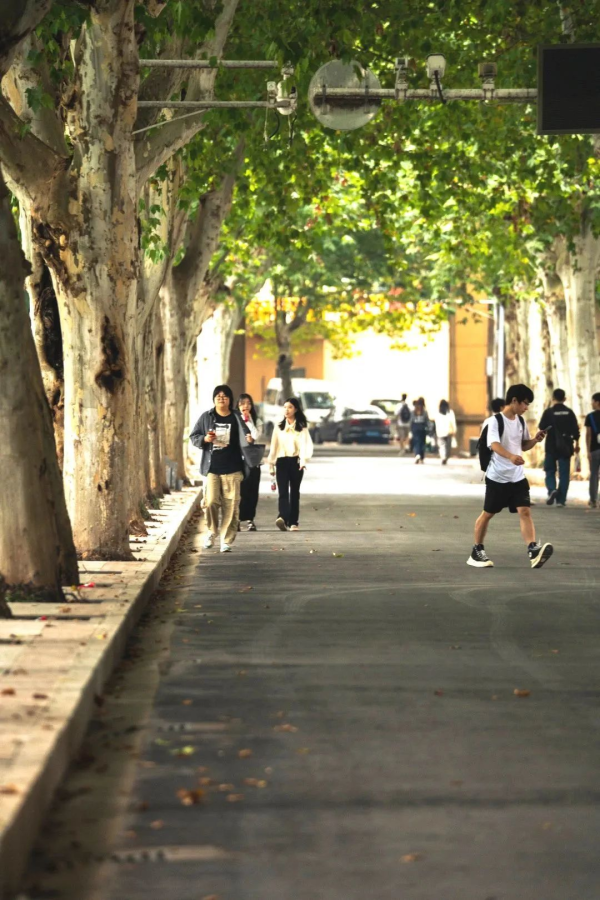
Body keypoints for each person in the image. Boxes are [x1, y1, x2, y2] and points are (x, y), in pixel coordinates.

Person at [467, 383, 553, 569]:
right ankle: (477, 551)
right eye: (525, 403)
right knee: (488, 514)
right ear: (514, 400)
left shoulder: (520, 421)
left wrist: (535, 440)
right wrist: (511, 456)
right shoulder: (493, 421)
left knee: (525, 511)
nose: (526, 407)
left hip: (517, 476)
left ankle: (533, 550)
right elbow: (494, 444)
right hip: (497, 476)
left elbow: (523, 445)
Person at [189, 384, 255, 553]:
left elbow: (247, 436)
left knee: (231, 506)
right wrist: (205, 439)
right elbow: (194, 436)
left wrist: (249, 439)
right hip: (212, 467)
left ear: (230, 400)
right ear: (214, 399)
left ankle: (226, 540)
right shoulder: (206, 417)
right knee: (211, 501)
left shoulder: (236, 417)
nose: (221, 398)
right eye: (218, 396)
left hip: (233, 467)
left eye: (225, 396)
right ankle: (212, 531)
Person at [267, 397, 313, 531]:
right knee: (282, 492)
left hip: (296, 462)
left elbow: (305, 445)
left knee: (294, 492)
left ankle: (293, 522)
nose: (287, 410)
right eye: (285, 407)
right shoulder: (278, 427)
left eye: (290, 407)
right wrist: (271, 463)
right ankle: (282, 517)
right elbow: (274, 446)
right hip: (281, 461)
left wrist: (303, 461)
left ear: (296, 409)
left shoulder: (302, 427)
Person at [538, 388, 580, 507]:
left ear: (553, 399)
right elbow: (576, 431)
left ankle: (552, 490)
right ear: (564, 398)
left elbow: (541, 426)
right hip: (566, 446)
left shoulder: (548, 412)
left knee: (550, 470)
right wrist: (577, 445)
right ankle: (561, 500)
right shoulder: (569, 412)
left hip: (551, 446)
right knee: (564, 474)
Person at [238, 392, 262, 530]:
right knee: (239, 491)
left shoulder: (257, 421)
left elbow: (256, 436)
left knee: (252, 491)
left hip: (253, 460)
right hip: (238, 459)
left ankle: (250, 520)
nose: (245, 406)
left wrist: (249, 421)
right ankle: (236, 519)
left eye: (248, 403)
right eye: (242, 403)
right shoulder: (234, 419)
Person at [585, 392, 600, 509]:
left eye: (593, 401)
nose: (591, 403)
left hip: (595, 450)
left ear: (597, 402)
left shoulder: (590, 417)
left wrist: (588, 451)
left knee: (594, 474)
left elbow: (588, 435)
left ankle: (593, 500)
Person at [434, 400, 457, 465]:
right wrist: (454, 430)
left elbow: (436, 423)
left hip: (440, 432)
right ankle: (446, 457)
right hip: (448, 432)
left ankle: (443, 457)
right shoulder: (450, 412)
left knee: (442, 446)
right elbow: (453, 422)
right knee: (448, 447)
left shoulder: (437, 413)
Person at [410, 398, 429, 464]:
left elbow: (411, 421)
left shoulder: (413, 411)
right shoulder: (424, 411)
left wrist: (410, 429)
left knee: (416, 442)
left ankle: (417, 454)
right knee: (422, 443)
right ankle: (422, 457)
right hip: (422, 428)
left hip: (415, 428)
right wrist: (428, 428)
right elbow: (427, 421)